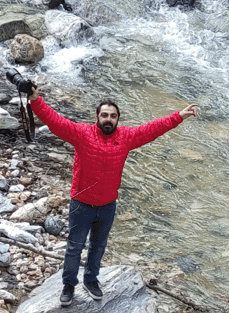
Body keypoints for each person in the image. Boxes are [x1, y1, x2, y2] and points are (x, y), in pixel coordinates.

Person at [27, 86, 197, 306]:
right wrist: (35, 99)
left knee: (98, 247)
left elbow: (152, 129)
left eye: (113, 116)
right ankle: (69, 286)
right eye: (104, 115)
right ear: (97, 117)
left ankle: (91, 280)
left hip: (107, 205)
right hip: (81, 203)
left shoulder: (126, 137)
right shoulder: (81, 134)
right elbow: (55, 121)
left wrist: (179, 116)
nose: (109, 119)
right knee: (74, 247)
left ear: (118, 119)